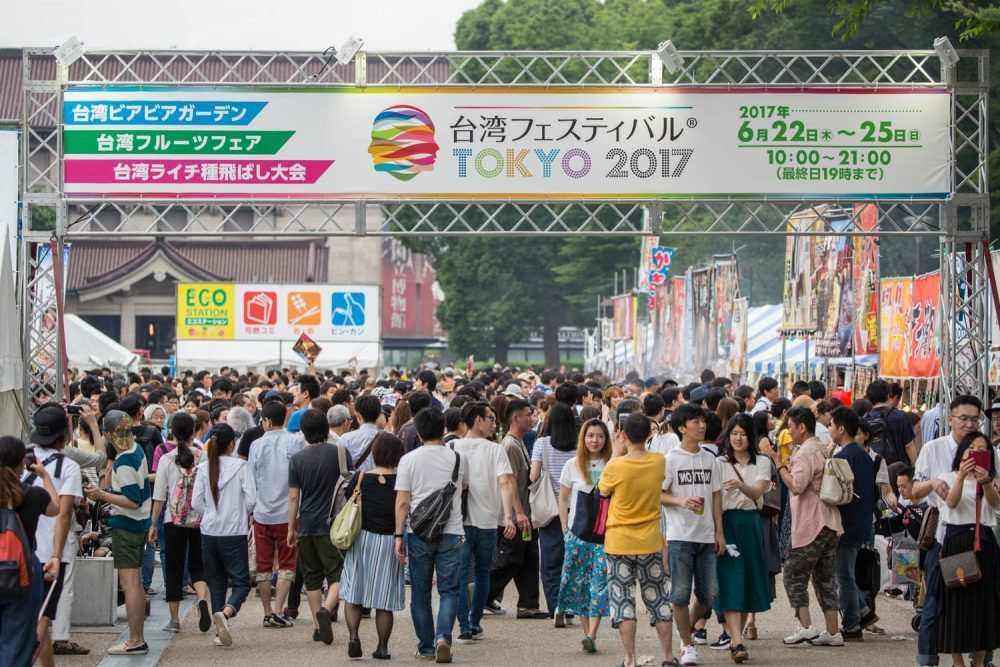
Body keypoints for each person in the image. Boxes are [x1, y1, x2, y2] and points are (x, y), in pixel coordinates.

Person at [908, 395, 983, 667]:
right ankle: (928, 659)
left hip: (979, 536)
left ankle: (979, 657)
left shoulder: (986, 450)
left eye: (974, 419)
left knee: (978, 603)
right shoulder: (934, 449)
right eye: (963, 418)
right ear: (950, 419)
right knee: (936, 601)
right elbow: (913, 492)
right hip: (943, 536)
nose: (969, 424)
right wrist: (933, 483)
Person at [598, 412, 676, 667]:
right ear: (649, 434)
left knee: (622, 602)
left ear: (623, 434)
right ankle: (667, 656)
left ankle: (629, 658)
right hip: (650, 540)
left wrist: (616, 452)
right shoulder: (659, 462)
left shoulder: (615, 466)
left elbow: (602, 490)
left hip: (618, 541)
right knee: (658, 599)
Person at [394, 407, 469, 662]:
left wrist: (398, 535)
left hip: (418, 533)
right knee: (449, 590)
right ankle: (443, 637)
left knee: (420, 592)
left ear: (418, 431)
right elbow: (463, 488)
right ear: (443, 428)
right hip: (452, 530)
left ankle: (426, 646)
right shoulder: (457, 458)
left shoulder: (409, 460)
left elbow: (403, 502)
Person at [765, 406, 843, 647]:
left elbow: (797, 486)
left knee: (792, 573)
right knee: (825, 578)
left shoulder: (805, 452)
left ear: (801, 427)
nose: (788, 431)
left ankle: (806, 626)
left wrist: (778, 463)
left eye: (790, 427)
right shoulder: (822, 447)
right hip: (830, 521)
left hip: (812, 522)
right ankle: (833, 632)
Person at [451, 402, 524, 642]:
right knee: (483, 573)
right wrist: (507, 516)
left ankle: (463, 626)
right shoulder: (495, 450)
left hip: (458, 522)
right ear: (477, 420)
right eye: (490, 418)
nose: (494, 423)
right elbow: (506, 482)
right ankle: (474, 622)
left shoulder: (452, 446)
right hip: (487, 521)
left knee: (461, 575)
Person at [661, 403, 725, 666]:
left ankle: (684, 631)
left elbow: (716, 496)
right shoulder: (670, 459)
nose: (702, 425)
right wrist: (681, 501)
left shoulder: (710, 459)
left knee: (709, 594)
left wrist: (720, 531)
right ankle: (687, 645)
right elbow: (658, 494)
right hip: (679, 536)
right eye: (695, 421)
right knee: (680, 594)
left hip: (706, 535)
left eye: (703, 421)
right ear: (681, 427)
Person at [21, 404, 85, 666]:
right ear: (65, 434)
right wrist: (57, 555)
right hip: (51, 553)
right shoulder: (69, 467)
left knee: (29, 619)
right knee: (42, 619)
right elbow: (64, 513)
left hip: (17, 549)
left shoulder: (20, 458)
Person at [86, 410, 153, 655]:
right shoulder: (136, 450)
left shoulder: (124, 461)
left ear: (109, 434)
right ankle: (137, 638)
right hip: (140, 523)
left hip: (128, 525)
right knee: (136, 583)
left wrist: (101, 494)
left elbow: (132, 500)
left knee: (130, 583)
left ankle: (135, 640)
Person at [935, 431, 1000, 666]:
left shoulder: (993, 480)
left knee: (984, 604)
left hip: (984, 542)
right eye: (971, 448)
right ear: (962, 452)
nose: (976, 453)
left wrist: (986, 483)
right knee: (956, 602)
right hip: (957, 542)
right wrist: (961, 477)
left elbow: (996, 505)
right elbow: (951, 503)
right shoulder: (947, 477)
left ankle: (979, 660)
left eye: (982, 450)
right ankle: (958, 661)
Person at [340, 432, 407, 660]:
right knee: (384, 600)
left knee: (354, 592)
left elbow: (348, 498)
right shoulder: (401, 482)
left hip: (362, 539)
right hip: (390, 540)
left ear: (375, 453)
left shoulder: (361, 477)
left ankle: (353, 636)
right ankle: (382, 647)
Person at [287, 409, 350, 646]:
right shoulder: (339, 453)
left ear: (304, 432)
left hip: (307, 523)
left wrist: (291, 528)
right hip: (333, 523)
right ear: (326, 428)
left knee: (311, 577)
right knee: (339, 574)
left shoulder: (297, 459)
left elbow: (293, 497)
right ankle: (327, 608)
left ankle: (316, 625)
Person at [714, 413, 771, 663]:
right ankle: (736, 641)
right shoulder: (719, 463)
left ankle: (734, 636)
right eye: (734, 433)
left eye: (743, 434)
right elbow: (716, 501)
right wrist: (717, 531)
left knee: (748, 579)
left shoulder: (762, 462)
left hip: (751, 524)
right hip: (727, 524)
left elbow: (758, 491)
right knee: (730, 579)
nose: (738, 438)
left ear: (751, 437)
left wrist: (740, 486)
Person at [148, 411, 212, 634]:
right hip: (199, 520)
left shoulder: (166, 459)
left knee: (173, 569)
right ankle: (202, 599)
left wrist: (153, 524)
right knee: (197, 565)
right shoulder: (203, 457)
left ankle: (174, 620)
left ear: (172, 433)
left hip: (172, 520)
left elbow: (159, 496)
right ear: (193, 432)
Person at [0, 436, 59, 666]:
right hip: (22, 572)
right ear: (22, 463)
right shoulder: (33, 495)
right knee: (18, 643)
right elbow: (56, 508)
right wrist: (44, 476)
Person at [191, 424, 251, 648]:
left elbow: (196, 502)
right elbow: (252, 500)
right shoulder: (242, 467)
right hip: (234, 531)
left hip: (209, 530)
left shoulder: (204, 468)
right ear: (232, 444)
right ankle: (225, 614)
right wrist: (243, 513)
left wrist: (210, 513)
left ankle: (219, 630)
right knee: (241, 582)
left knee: (216, 582)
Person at [556, 417, 612, 654]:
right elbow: (563, 498)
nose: (595, 440)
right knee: (580, 585)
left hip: (606, 536)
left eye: (600, 436)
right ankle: (587, 633)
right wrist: (564, 528)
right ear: (583, 438)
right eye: (590, 435)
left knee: (600, 584)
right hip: (577, 534)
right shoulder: (572, 464)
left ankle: (592, 634)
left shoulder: (613, 464)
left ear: (606, 439)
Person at [245, 401, 302, 628]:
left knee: (264, 564)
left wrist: (251, 509)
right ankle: (279, 609)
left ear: (267, 421)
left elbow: (251, 478)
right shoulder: (295, 442)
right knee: (287, 563)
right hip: (288, 512)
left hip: (262, 512)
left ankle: (267, 611)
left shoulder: (256, 445)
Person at [489, 399, 545, 619]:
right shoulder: (510, 446)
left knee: (528, 558)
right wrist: (518, 513)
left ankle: (529, 604)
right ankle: (479, 594)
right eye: (528, 414)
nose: (532, 418)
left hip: (525, 512)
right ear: (515, 418)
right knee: (510, 560)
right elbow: (509, 482)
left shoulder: (518, 442)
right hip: (516, 514)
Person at [529, 396, 578, 625]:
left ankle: (555, 607)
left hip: (550, 508)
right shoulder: (579, 446)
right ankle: (570, 607)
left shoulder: (542, 444)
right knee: (572, 558)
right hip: (575, 508)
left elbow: (533, 476)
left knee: (550, 561)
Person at [828, 407, 876, 641]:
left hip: (845, 524)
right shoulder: (863, 455)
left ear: (841, 429)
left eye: (831, 425)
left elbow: (835, 494)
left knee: (843, 576)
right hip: (861, 521)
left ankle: (852, 624)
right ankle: (863, 612)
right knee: (845, 573)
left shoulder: (843, 458)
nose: (829, 429)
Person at [865, 379, 917, 465]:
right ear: (888, 395)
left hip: (875, 469)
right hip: (899, 469)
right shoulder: (901, 417)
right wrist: (915, 468)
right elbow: (909, 446)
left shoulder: (865, 419)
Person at [339, 394, 385, 473]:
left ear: (358, 415)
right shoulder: (389, 438)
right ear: (378, 414)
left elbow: (342, 470)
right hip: (381, 479)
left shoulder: (345, 439)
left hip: (355, 479)